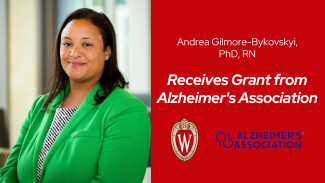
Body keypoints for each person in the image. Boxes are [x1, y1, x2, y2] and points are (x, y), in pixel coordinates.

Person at [0, 8, 151, 183]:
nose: (74, 53)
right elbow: (9, 172)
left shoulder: (126, 110)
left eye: (86, 44)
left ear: (107, 52)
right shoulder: (40, 106)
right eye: (67, 43)